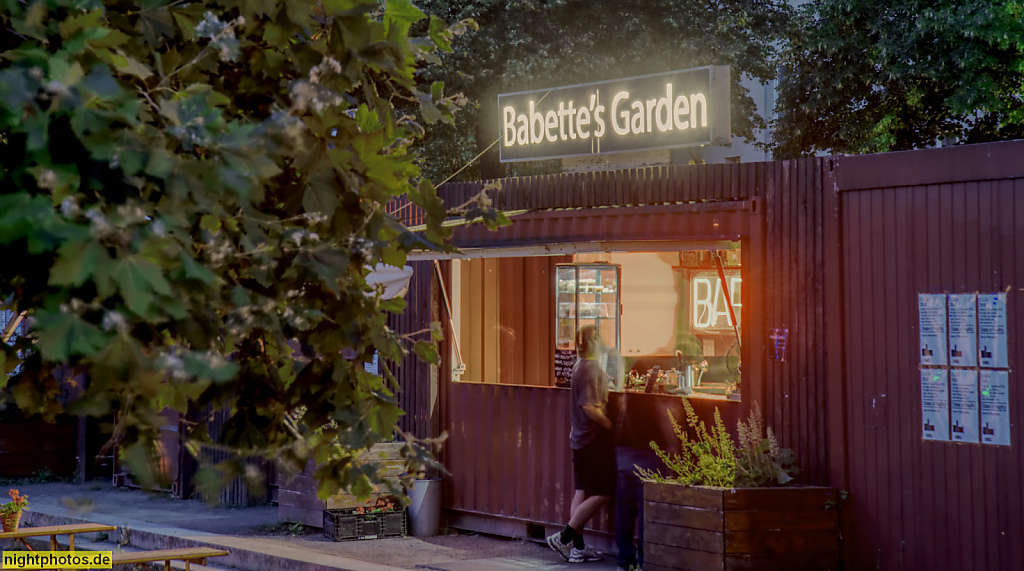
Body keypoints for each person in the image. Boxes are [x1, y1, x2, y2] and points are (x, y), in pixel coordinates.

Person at [547, 325, 615, 564]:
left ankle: (578, 548)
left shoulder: (579, 365)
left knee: (582, 491)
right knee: (605, 491)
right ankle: (564, 537)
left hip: (578, 438)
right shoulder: (590, 368)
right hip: (592, 440)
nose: (603, 341)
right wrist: (608, 423)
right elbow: (588, 406)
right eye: (599, 337)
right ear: (592, 342)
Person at [613, 383, 676, 571]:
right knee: (646, 509)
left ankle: (625, 560)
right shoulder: (656, 388)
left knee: (625, 508)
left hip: (624, 449)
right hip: (649, 450)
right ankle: (644, 559)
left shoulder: (631, 384)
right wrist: (672, 445)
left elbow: (621, 406)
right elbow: (665, 415)